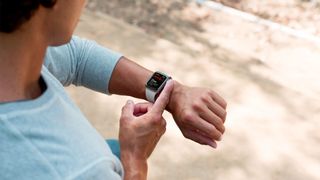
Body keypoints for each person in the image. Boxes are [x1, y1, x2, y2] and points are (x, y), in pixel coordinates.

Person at [0, 0, 227, 179]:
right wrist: (134, 160)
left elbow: (77, 57)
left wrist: (172, 91)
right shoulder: (78, 170)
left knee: (114, 150)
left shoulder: (15, 46)